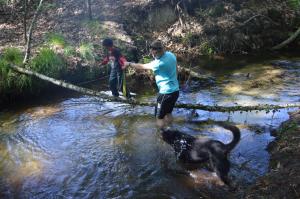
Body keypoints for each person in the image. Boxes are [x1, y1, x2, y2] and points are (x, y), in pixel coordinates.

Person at [125, 40, 179, 128]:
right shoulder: (171, 55)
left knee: (159, 117)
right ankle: (171, 130)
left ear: (155, 51)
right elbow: (176, 70)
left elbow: (141, 66)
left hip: (165, 94)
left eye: (152, 52)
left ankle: (162, 136)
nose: (151, 54)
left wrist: (129, 64)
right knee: (168, 113)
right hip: (175, 91)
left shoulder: (158, 64)